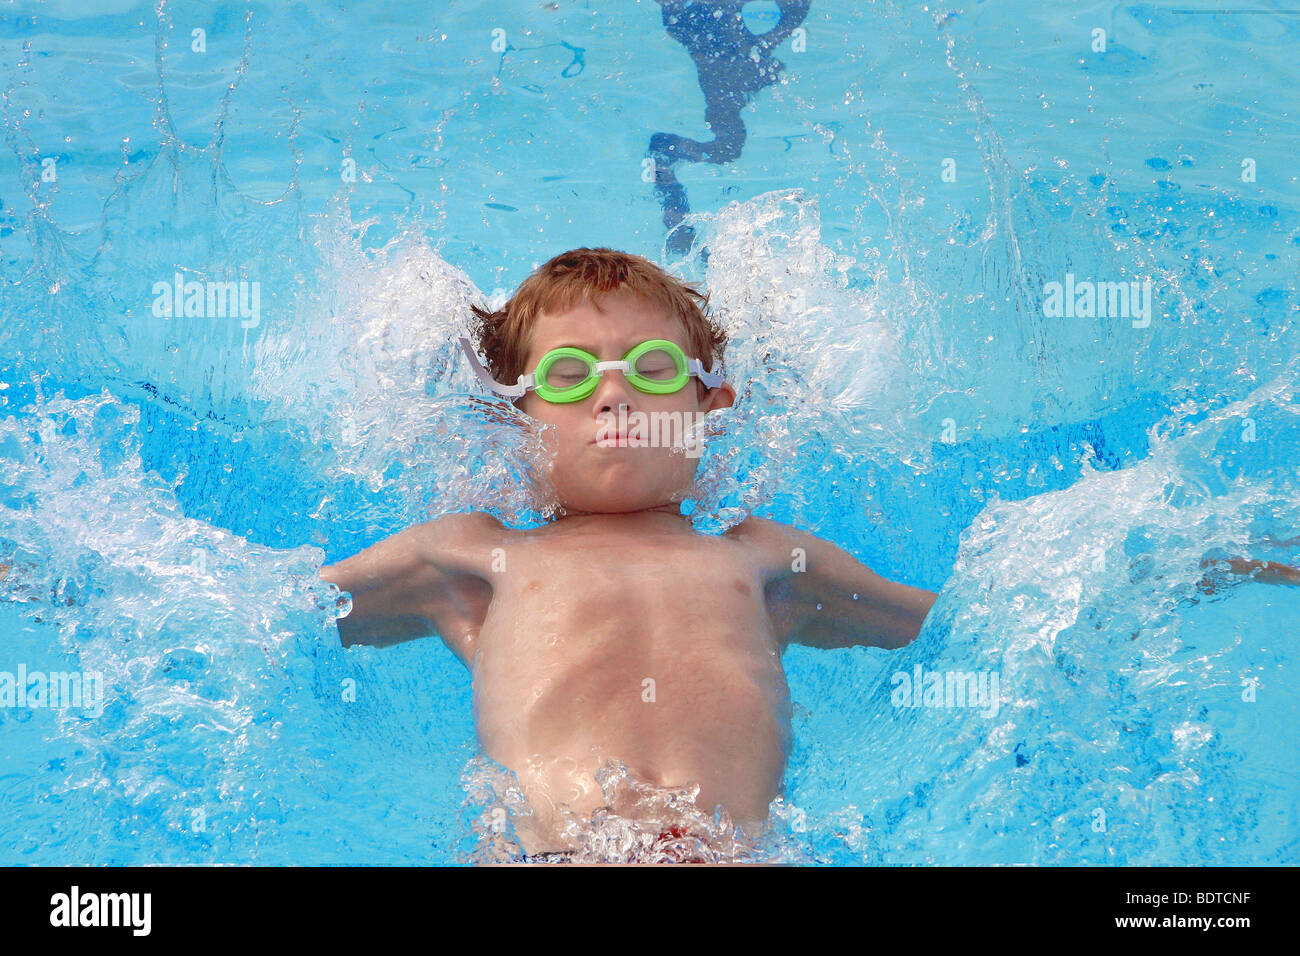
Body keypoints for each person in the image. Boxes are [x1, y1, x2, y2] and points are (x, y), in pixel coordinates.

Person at [318, 247, 938, 862]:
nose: (614, 394)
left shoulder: (765, 558)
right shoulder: (476, 554)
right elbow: (285, 614)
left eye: (655, 368)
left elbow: (944, 626)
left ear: (709, 410)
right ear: (510, 421)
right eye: (568, 375)